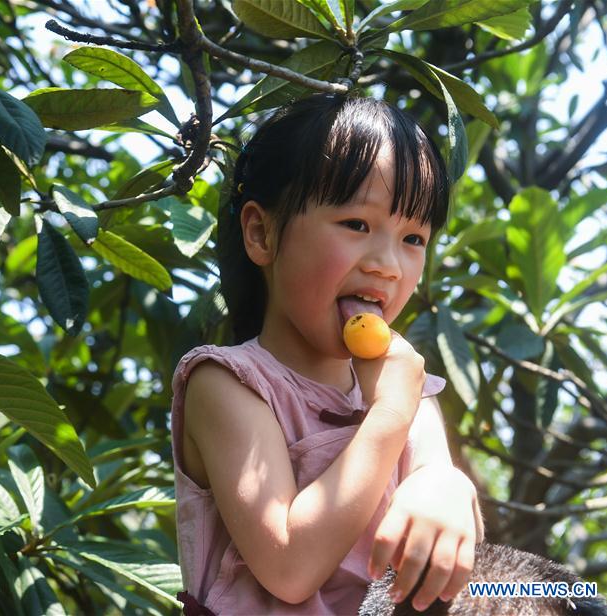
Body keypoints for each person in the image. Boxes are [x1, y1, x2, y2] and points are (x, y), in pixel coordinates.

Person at [170, 94, 485, 615]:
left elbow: (440, 490)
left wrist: (446, 485)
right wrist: (387, 413)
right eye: (357, 225)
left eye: (413, 237)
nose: (388, 265)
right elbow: (289, 567)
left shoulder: (405, 388)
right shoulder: (227, 384)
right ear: (261, 233)